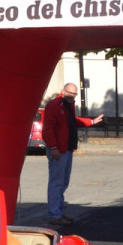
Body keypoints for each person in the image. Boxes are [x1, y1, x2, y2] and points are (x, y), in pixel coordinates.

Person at [42, 83, 103, 226]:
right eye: (69, 93)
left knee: (62, 183)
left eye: (74, 94)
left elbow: (72, 122)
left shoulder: (67, 106)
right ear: (63, 91)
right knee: (57, 183)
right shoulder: (54, 105)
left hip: (66, 149)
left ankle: (59, 212)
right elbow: (48, 128)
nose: (71, 96)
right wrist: (53, 147)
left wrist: (92, 121)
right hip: (59, 150)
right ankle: (55, 214)